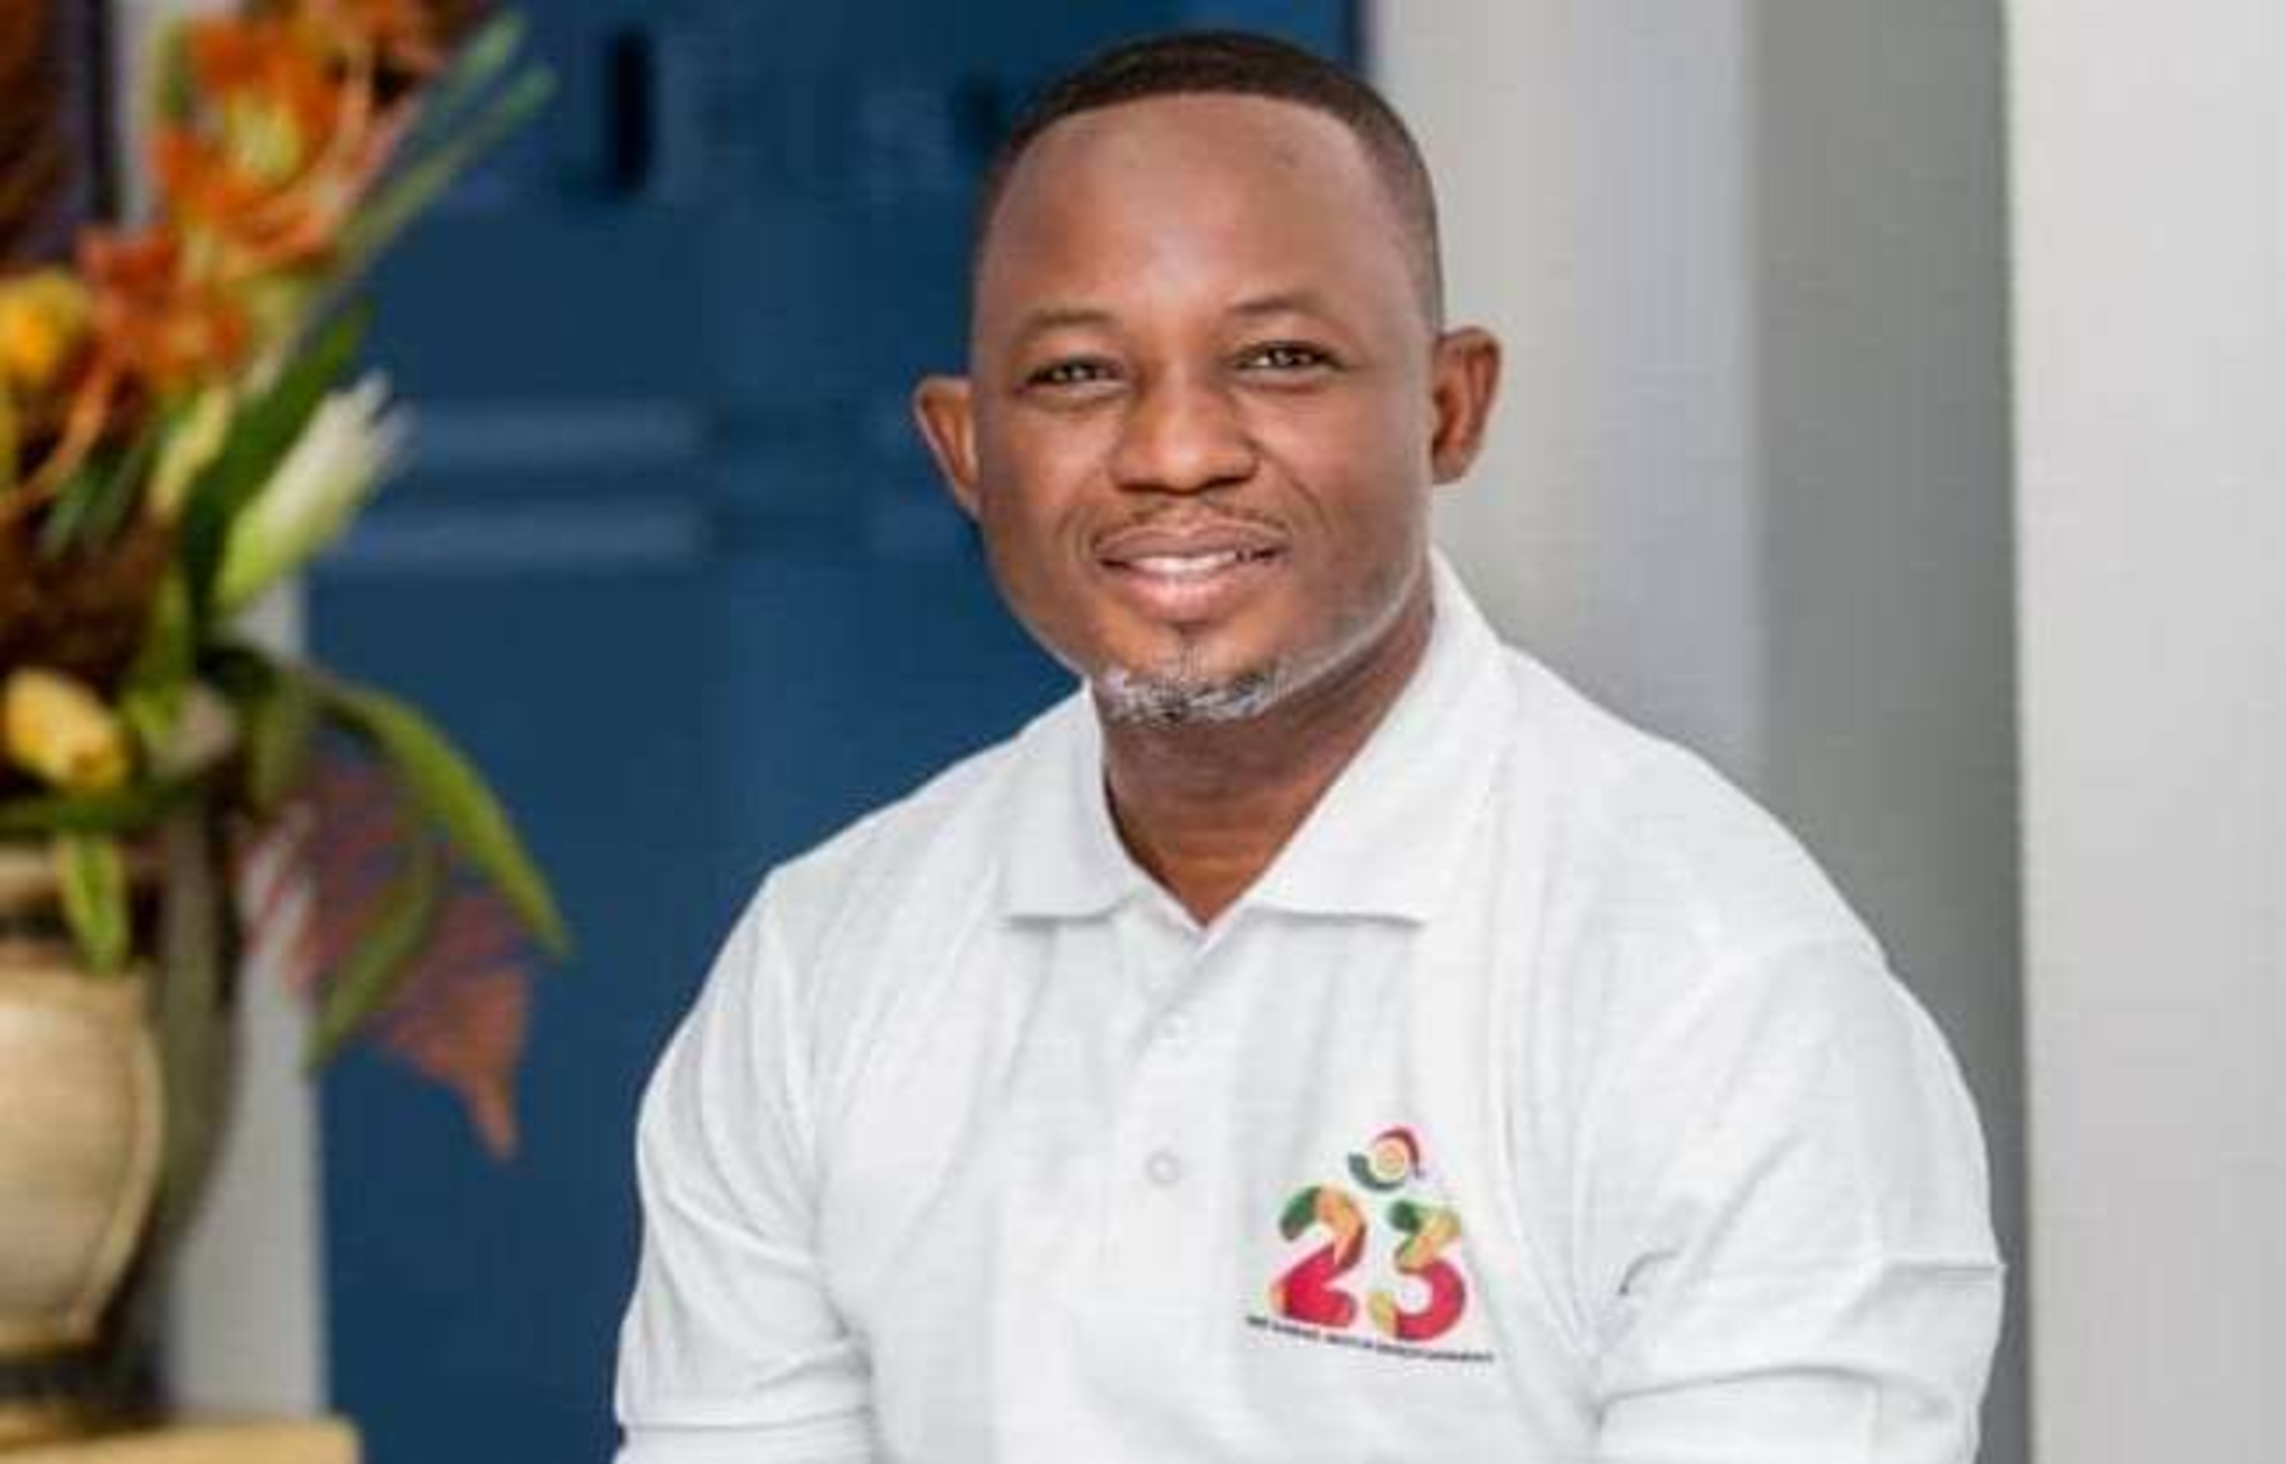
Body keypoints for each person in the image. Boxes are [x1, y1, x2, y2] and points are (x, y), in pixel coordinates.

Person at [613, 30, 2003, 1464]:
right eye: (1078, 374)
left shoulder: (1713, 986)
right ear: (964, 451)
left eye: (1280, 359)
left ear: (1449, 406)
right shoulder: (824, 966)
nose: (1176, 452)